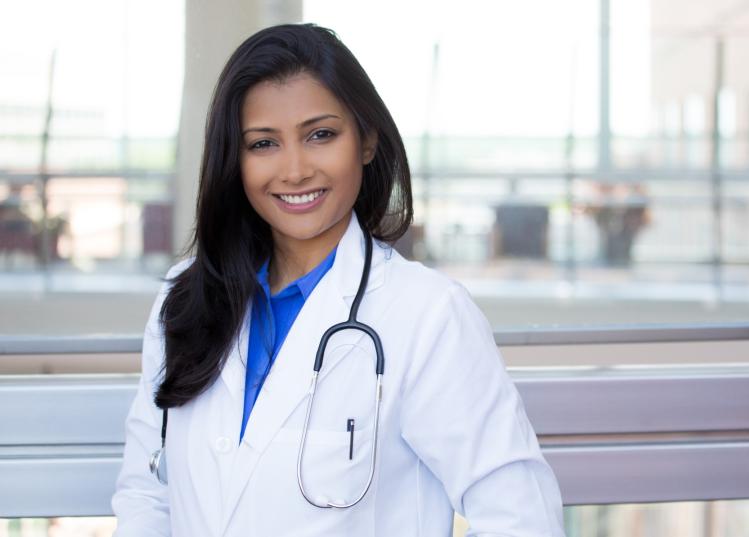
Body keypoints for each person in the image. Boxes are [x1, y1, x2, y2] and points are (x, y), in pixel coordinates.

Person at [112, 24, 565, 537]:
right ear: (234, 161)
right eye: (263, 143)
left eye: (320, 135)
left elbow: (522, 518)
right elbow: (147, 493)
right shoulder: (186, 301)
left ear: (367, 141)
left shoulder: (426, 315)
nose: (295, 169)